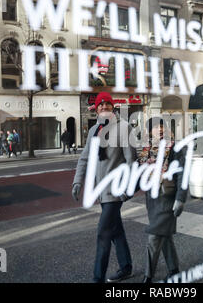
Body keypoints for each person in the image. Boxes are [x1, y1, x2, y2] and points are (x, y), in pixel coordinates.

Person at [71, 91, 137, 283]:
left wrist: (128, 188)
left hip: (115, 191)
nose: (104, 108)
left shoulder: (124, 128)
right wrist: (77, 181)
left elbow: (131, 161)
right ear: (97, 108)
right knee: (116, 230)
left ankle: (97, 278)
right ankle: (126, 267)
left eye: (107, 104)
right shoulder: (94, 130)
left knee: (103, 233)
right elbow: (84, 158)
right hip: (100, 191)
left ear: (113, 106)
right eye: (101, 105)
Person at [138, 117, 187, 283]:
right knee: (164, 236)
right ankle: (174, 271)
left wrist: (180, 199)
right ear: (149, 132)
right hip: (151, 200)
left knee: (154, 237)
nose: (159, 130)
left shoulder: (175, 147)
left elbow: (182, 174)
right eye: (154, 127)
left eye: (161, 126)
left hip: (167, 197)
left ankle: (148, 276)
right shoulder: (147, 150)